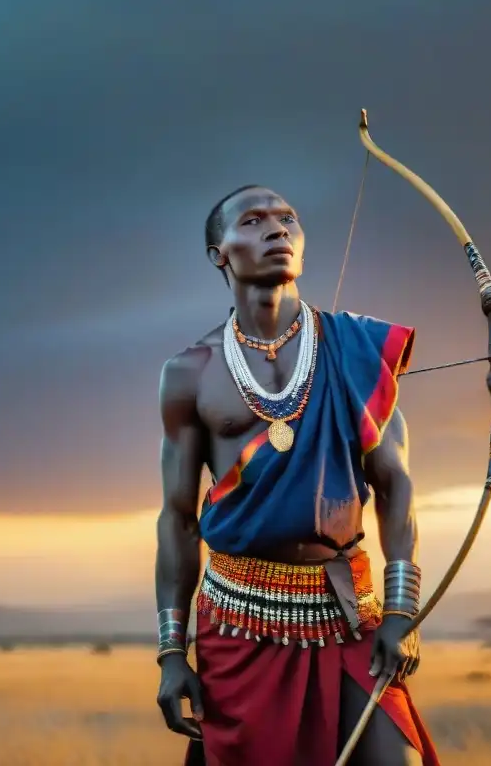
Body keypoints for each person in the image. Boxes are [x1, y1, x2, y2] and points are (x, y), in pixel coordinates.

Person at [154, 184, 440, 766]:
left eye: (287, 219)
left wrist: (402, 611)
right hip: (239, 623)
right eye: (253, 221)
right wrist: (171, 653)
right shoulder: (190, 373)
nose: (278, 230)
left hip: (349, 613)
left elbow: (395, 485)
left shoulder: (356, 349)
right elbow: (180, 520)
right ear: (220, 253)